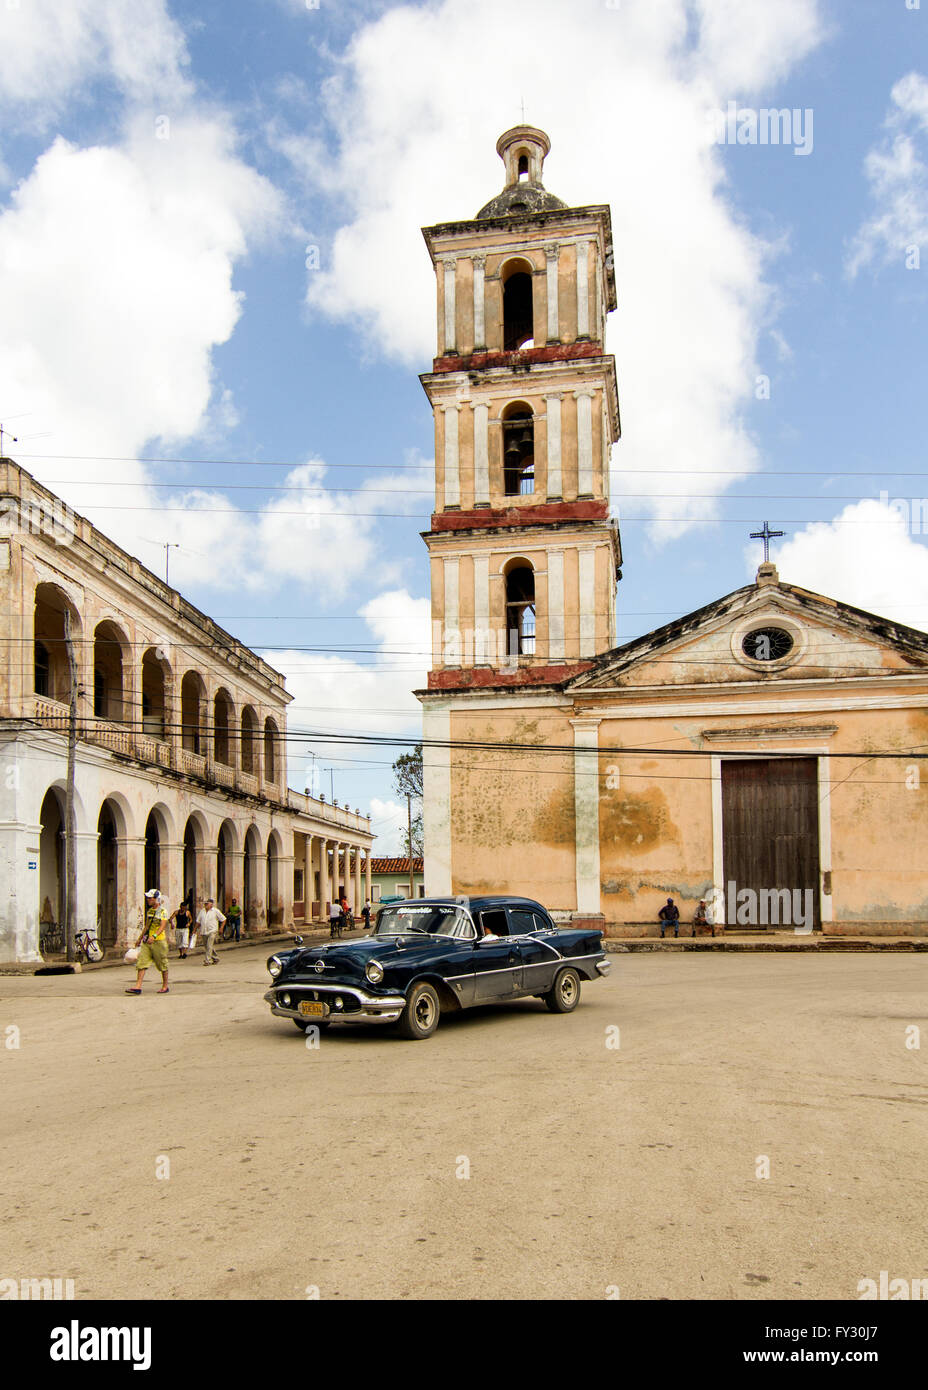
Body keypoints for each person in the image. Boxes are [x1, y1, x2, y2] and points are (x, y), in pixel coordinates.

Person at [125, 889, 170, 994]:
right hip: (147, 941)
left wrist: (154, 936)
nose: (148, 900)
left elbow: (163, 926)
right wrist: (139, 938)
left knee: (162, 964)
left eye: (151, 898)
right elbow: (147, 926)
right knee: (142, 962)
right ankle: (138, 986)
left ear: (156, 899)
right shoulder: (150, 911)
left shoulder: (163, 911)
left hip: (158, 941)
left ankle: (165, 985)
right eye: (148, 898)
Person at [197, 898, 225, 965]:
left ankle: (208, 960)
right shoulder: (202, 911)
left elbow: (223, 919)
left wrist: (221, 928)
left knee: (209, 945)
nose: (205, 905)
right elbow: (198, 921)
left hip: (212, 930)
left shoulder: (215, 911)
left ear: (211, 904)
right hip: (204, 931)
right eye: (205, 903)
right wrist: (194, 930)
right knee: (207, 946)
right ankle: (215, 958)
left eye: (207, 903)